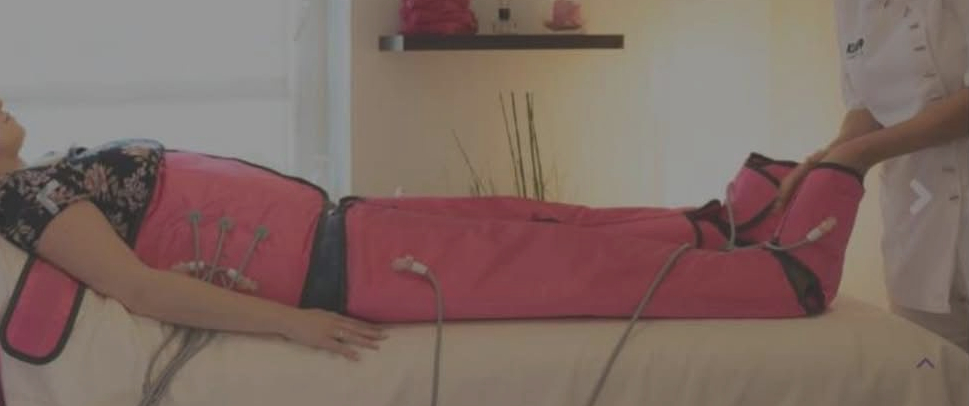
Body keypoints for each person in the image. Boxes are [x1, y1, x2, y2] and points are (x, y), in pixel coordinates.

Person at [0, 98, 871, 363]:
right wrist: (292, 324)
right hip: (344, 269)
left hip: (349, 225)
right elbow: (138, 287)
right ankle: (788, 277)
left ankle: (729, 226)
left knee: (547, 220)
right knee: (572, 262)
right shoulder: (25, 200)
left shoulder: (43, 172)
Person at [775, 0, 969, 352]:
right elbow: (865, 107)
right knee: (928, 371)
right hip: (918, 228)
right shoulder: (849, 8)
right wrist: (825, 160)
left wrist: (860, 154)